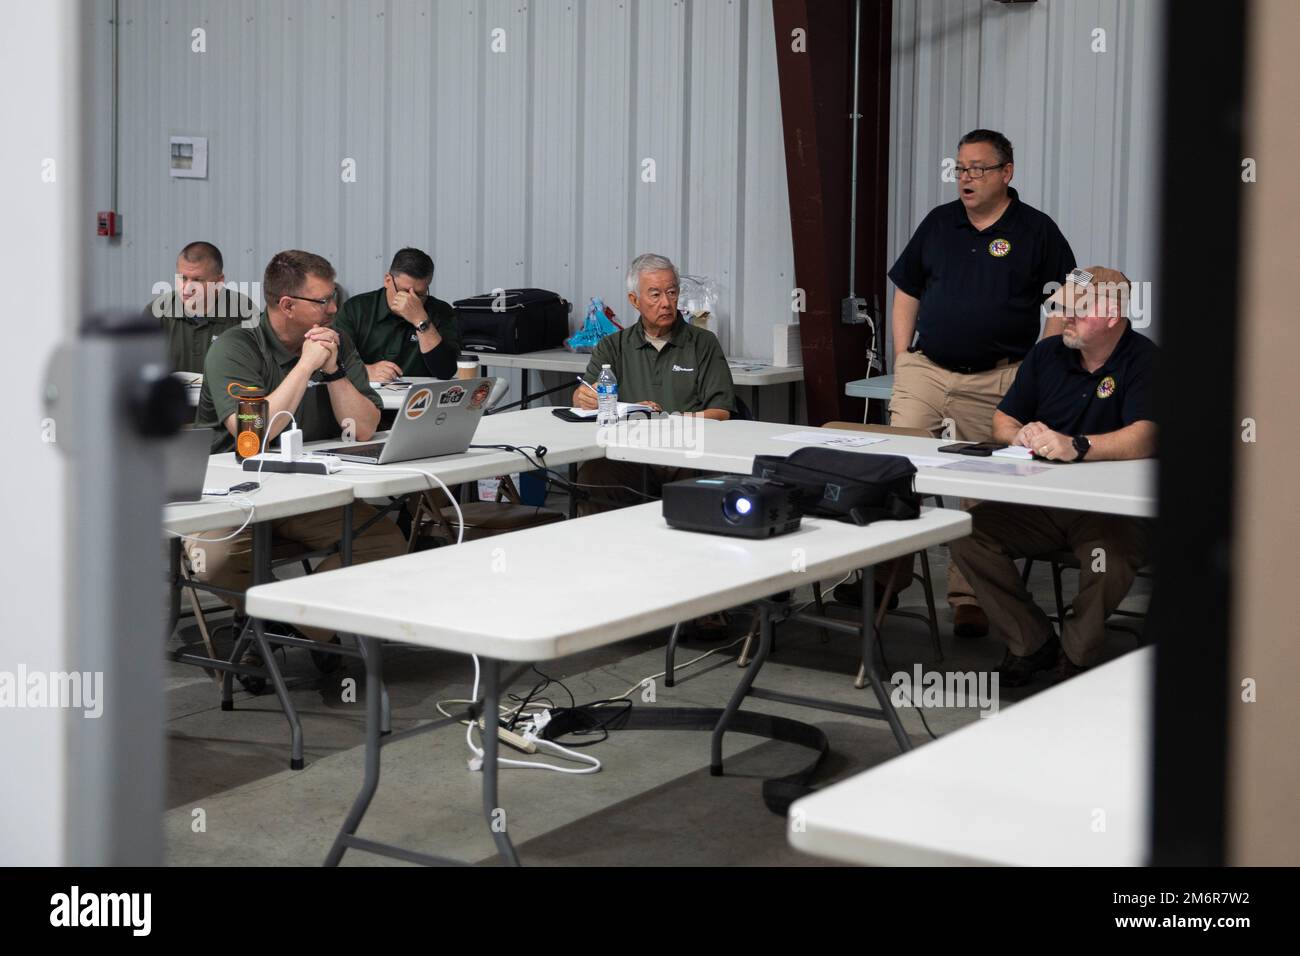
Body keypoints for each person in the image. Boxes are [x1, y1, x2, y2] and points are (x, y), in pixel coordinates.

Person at [868, 128, 1078, 637]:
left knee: (983, 492)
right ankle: (884, 580)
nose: (966, 178)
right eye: (960, 168)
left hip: (999, 378)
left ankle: (970, 597)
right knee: (894, 470)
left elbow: (1062, 299)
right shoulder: (939, 224)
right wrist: (903, 358)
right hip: (928, 369)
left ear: (1007, 172)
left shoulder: (1036, 230)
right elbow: (906, 292)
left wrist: (1037, 369)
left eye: (978, 168)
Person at [189, 250, 407, 662]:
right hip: (232, 499)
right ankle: (301, 631)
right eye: (322, 301)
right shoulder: (236, 348)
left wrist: (335, 371)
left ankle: (295, 629)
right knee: (211, 562)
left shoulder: (337, 345)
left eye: (333, 297)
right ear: (287, 305)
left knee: (382, 541)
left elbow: (363, 428)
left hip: (306, 490)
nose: (333, 308)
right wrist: (305, 366)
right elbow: (252, 437)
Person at [949, 267, 1156, 685]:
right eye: (1060, 308)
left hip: (1108, 511)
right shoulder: (1048, 355)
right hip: (1043, 505)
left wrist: (1078, 445)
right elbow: (1003, 418)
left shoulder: (1145, 360)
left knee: (1111, 557)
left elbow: (1145, 436)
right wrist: (1019, 432)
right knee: (964, 533)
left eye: (1076, 309)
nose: (1064, 318)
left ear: (1113, 315)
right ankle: (1032, 641)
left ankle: (1075, 656)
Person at [571, 253, 735, 514]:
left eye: (671, 292)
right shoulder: (613, 346)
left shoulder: (703, 343)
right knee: (593, 475)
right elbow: (584, 396)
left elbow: (721, 412)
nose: (666, 303)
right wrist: (582, 397)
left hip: (688, 452)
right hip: (631, 454)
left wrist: (670, 419)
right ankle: (605, 550)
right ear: (634, 300)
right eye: (655, 295)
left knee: (709, 479)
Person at [332, 247, 462, 382]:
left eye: (419, 294)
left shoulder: (441, 311)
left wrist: (421, 320)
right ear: (388, 280)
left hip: (422, 397)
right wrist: (366, 371)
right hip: (367, 396)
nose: (411, 300)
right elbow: (333, 361)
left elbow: (446, 371)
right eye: (404, 292)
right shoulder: (356, 309)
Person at [146, 241, 256, 374]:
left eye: (198, 280)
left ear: (219, 281)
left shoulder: (243, 312)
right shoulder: (158, 312)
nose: (187, 288)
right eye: (183, 278)